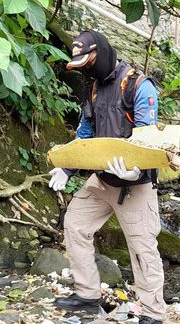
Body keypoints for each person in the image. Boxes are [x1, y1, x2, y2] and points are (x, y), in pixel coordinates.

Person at [48, 30, 164, 324]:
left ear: (101, 53)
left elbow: (148, 138)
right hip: (101, 179)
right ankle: (87, 295)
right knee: (74, 224)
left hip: (135, 184)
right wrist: (67, 166)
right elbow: (85, 133)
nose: (86, 69)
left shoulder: (138, 86)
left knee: (142, 247)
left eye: (88, 62)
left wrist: (136, 167)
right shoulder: (93, 89)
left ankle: (152, 312)